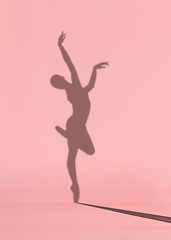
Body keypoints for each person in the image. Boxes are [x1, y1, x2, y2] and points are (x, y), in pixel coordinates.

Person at [50, 31, 109, 203]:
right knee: (72, 155)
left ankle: (67, 135)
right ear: (60, 83)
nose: (63, 76)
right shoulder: (73, 85)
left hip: (76, 125)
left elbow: (91, 85)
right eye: (60, 78)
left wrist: (94, 69)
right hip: (75, 123)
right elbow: (69, 63)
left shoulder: (77, 89)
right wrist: (61, 47)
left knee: (89, 151)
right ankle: (74, 184)